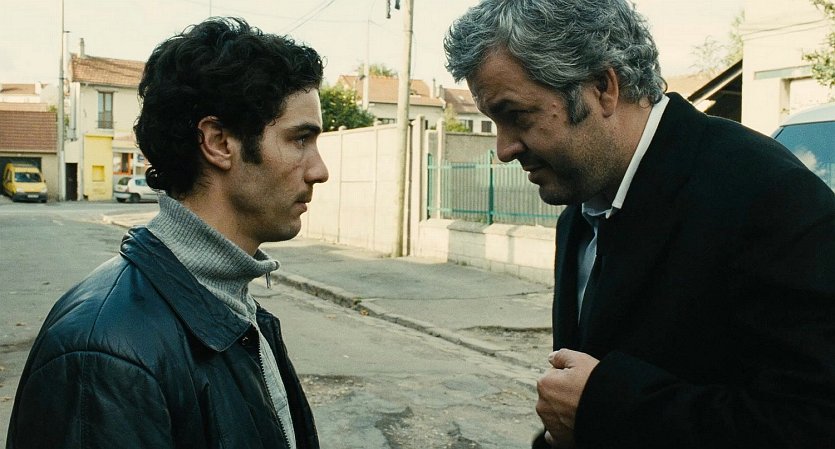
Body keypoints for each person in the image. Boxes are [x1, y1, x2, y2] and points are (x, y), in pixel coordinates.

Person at [444, 1, 835, 448]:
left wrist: (606, 407)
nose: (503, 149)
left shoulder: (767, 196)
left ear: (602, 87)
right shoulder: (581, 210)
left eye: (517, 116)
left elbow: (813, 422)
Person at [7, 17, 328, 449]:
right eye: (299, 140)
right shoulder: (104, 352)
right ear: (218, 142)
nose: (319, 170)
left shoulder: (233, 306)